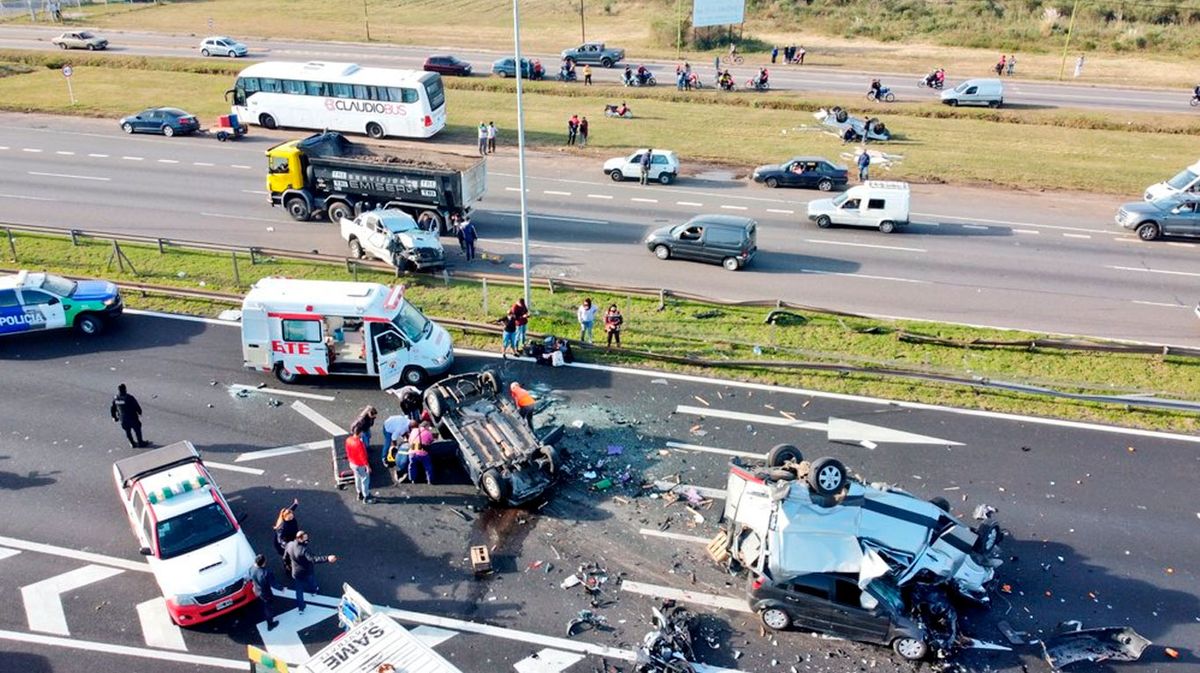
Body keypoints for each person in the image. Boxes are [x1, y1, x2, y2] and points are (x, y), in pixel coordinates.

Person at [284, 531, 336, 614]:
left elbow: (285, 556)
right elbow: (313, 559)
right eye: (305, 538)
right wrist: (327, 558)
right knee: (311, 581)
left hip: (296, 572)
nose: (307, 540)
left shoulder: (290, 544)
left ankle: (301, 608)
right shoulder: (304, 550)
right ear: (300, 539)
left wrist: (287, 564)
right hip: (306, 570)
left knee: (299, 590)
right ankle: (314, 591)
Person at [250, 554, 284, 631]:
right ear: (263, 563)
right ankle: (270, 624)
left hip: (257, 590)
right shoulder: (266, 573)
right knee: (268, 607)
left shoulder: (251, 569)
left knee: (264, 604)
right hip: (265, 593)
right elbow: (273, 584)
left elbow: (249, 578)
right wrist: (281, 588)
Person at [110, 383, 147, 448]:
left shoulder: (116, 398)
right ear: (125, 389)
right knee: (137, 429)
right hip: (132, 417)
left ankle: (132, 443)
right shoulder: (129, 397)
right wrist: (139, 412)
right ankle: (140, 442)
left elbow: (113, 408)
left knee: (127, 431)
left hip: (123, 419)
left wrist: (114, 416)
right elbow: (136, 405)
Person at [345, 433, 371, 503]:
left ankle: (359, 493)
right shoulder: (359, 443)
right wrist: (367, 466)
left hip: (352, 463)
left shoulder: (348, 439)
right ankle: (366, 497)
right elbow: (363, 456)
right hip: (360, 465)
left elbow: (347, 451)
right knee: (365, 479)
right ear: (360, 432)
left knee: (357, 477)